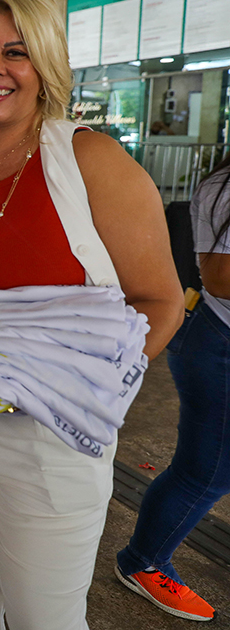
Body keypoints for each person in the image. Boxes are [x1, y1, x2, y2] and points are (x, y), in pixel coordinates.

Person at [0, 0, 184, 630]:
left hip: (53, 429)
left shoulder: (90, 161)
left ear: (45, 65)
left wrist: (79, 386)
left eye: (16, 51)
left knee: (44, 616)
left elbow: (160, 298)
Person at [114, 156, 230, 622]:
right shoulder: (224, 185)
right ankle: (143, 561)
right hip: (218, 341)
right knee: (207, 471)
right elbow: (219, 276)